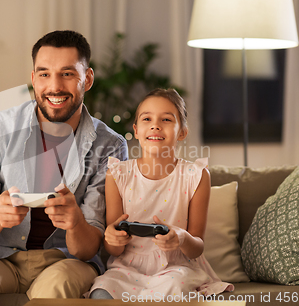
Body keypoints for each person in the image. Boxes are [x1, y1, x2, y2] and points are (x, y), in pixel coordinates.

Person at [0, 30, 128, 305]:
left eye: (68, 74)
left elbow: (88, 248)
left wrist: (75, 223)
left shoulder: (110, 146)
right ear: (34, 79)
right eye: (45, 74)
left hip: (65, 260)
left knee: (59, 285)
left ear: (88, 79)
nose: (55, 86)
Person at [88, 88, 234, 300]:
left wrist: (182, 238)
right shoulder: (118, 174)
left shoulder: (196, 175)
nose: (155, 125)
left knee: (175, 285)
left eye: (166, 119)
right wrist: (112, 238)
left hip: (176, 268)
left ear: (182, 132)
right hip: (126, 270)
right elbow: (114, 249)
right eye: (147, 118)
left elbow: (196, 248)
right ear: (136, 130)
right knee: (101, 291)